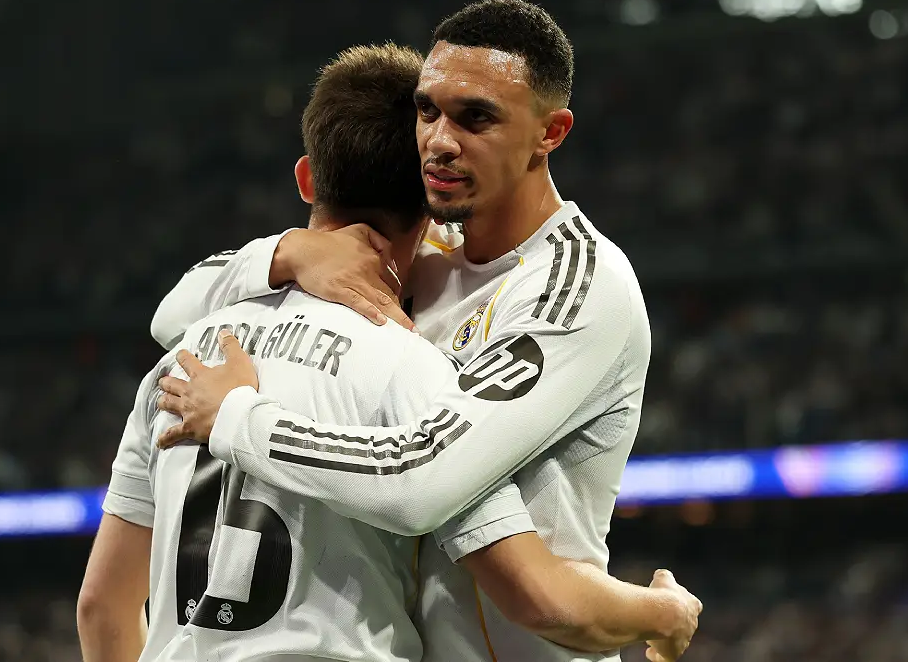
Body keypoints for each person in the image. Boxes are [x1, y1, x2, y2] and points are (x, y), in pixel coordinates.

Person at [79, 43, 698, 662]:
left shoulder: (182, 367)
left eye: (473, 117)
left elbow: (101, 607)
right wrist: (662, 611)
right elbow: (536, 594)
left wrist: (281, 261)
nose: (445, 138)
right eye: (429, 114)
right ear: (427, 196)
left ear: (306, 180)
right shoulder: (414, 367)